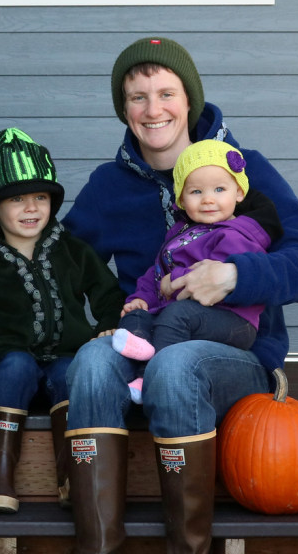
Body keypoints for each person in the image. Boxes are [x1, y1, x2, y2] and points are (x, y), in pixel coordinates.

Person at [61, 37, 298, 553]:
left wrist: (234, 276)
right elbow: (65, 264)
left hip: (233, 353)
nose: (153, 109)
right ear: (124, 108)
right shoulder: (108, 186)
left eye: (167, 93)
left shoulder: (244, 170)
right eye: (137, 97)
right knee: (94, 360)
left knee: (176, 364)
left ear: (191, 101)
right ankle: (97, 544)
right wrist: (107, 315)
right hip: (143, 343)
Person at [0, 128, 124, 514]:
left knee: (71, 374)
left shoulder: (72, 250)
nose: (31, 208)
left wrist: (109, 326)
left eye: (40, 198)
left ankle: (71, 478)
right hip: (8, 360)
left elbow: (108, 292)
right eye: (17, 199)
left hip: (64, 353)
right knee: (15, 366)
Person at [112, 139, 283, 405]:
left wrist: (175, 283)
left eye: (219, 189)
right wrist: (142, 298)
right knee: (137, 314)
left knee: (176, 314)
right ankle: (141, 344)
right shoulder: (181, 234)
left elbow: (209, 274)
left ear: (238, 193)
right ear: (181, 198)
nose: (208, 200)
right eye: (196, 192)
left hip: (233, 320)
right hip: (189, 315)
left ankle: (150, 379)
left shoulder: (237, 234)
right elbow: (157, 272)